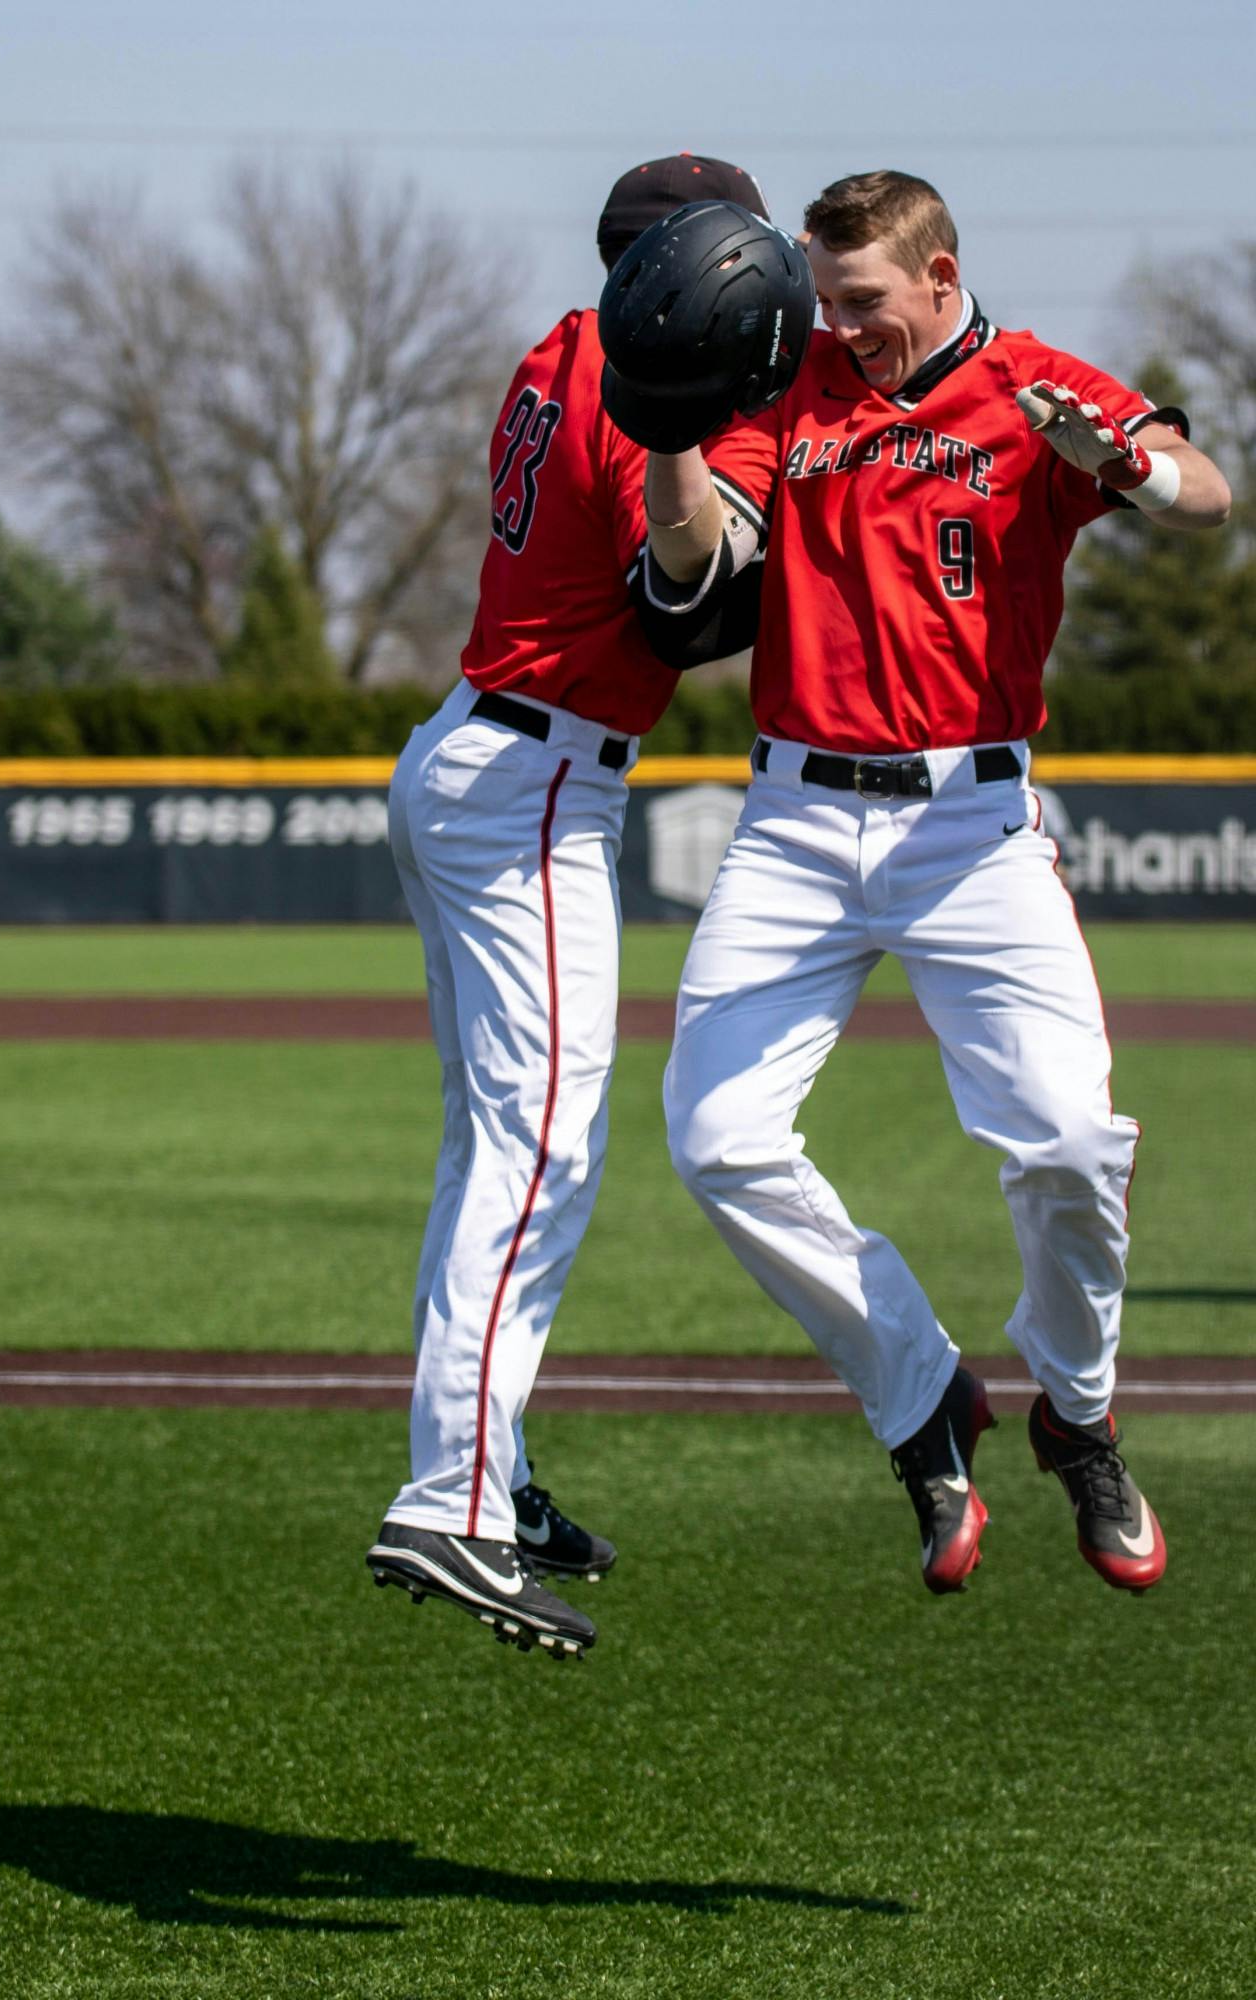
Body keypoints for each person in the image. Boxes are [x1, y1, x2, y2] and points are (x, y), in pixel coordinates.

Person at [637, 170, 1230, 1596]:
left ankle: (1076, 1416)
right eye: (825, 301)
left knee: (1073, 1145)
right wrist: (667, 433)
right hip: (795, 822)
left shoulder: (1031, 384)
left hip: (974, 828)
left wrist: (1136, 461)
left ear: (943, 275)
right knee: (716, 1136)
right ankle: (922, 1399)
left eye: (866, 302)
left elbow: (1209, 498)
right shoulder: (799, 390)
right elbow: (695, 559)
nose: (840, 327)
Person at [365, 154, 770, 1657]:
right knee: (544, 1143)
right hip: (534, 774)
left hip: (470, 748)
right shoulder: (636, 392)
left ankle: (495, 1468)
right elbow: (687, 590)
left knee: (496, 1138)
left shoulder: (562, 342)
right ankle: (451, 1498)